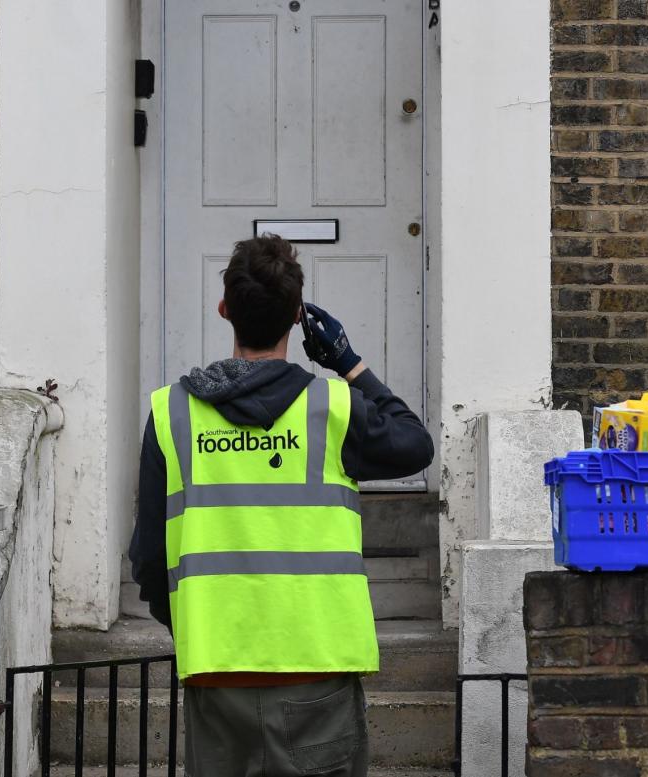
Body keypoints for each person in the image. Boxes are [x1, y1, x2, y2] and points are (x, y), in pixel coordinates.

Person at [129, 234, 433, 777]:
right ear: (298, 317)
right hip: (317, 668)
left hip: (217, 668)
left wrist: (196, 625)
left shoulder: (172, 413)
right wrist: (349, 363)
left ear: (225, 311)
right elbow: (415, 443)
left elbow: (149, 555)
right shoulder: (333, 406)